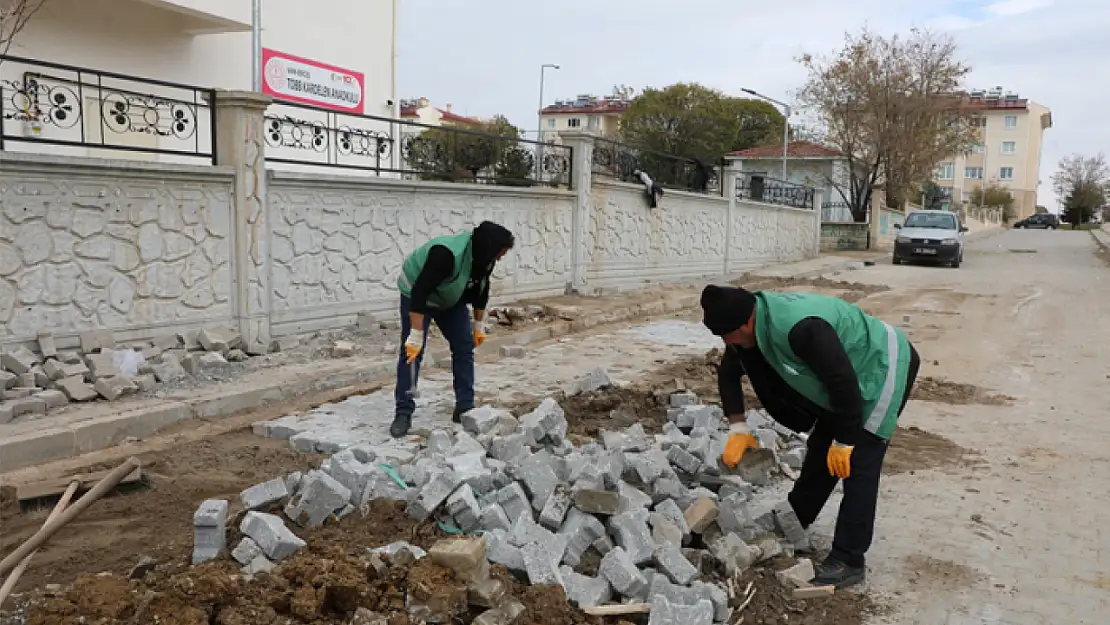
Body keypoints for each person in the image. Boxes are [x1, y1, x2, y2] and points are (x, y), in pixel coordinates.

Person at [699, 285, 920, 588]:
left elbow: (845, 386)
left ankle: (849, 559)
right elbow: (728, 373)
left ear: (745, 323)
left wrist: (844, 442)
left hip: (882, 366)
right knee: (821, 448)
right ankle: (796, 520)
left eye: (726, 335)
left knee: (859, 461)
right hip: (846, 379)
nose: (725, 342)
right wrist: (738, 427)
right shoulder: (749, 327)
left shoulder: (801, 330)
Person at [389, 221, 515, 438]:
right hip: (417, 294)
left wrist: (478, 326)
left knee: (464, 346)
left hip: (449, 297)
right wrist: (417, 334)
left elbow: (481, 291)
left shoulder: (485, 259)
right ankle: (403, 413)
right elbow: (420, 293)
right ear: (489, 246)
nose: (501, 258)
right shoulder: (445, 255)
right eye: (500, 253)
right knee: (412, 351)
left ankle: (464, 407)